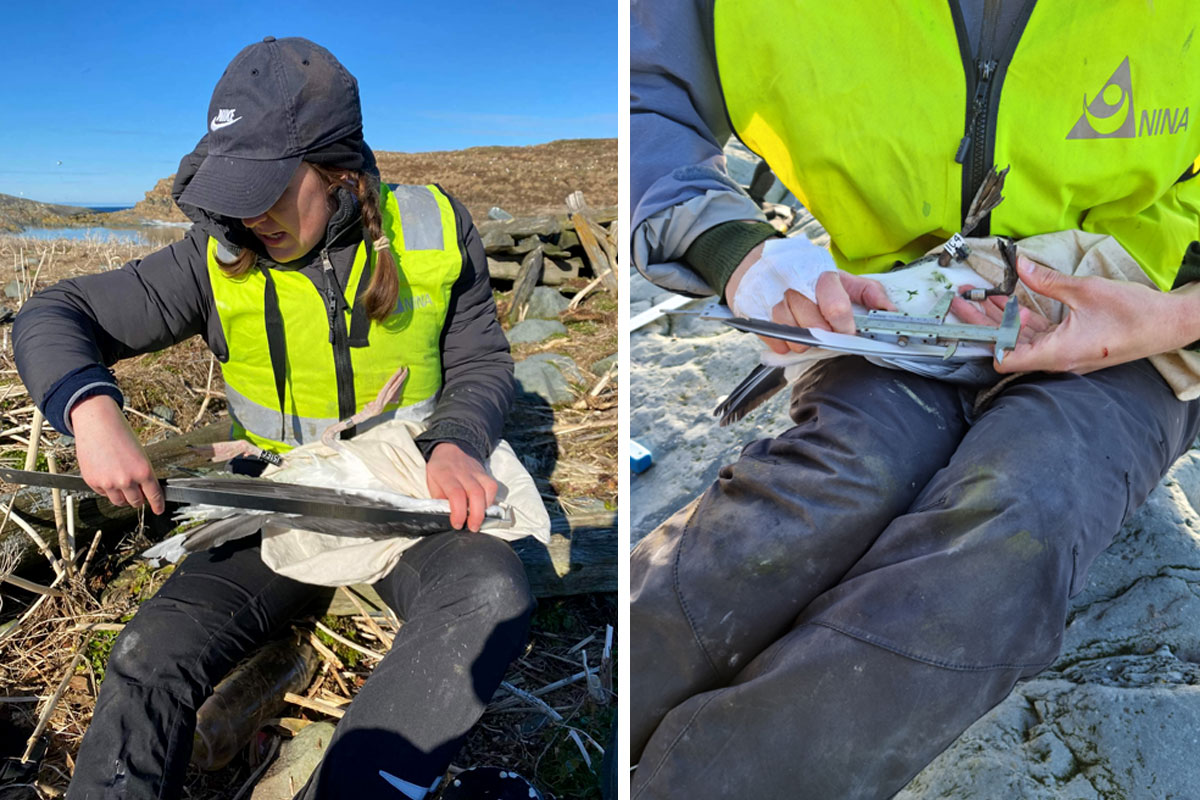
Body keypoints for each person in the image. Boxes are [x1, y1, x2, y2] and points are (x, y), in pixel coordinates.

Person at [629, 1, 1200, 798]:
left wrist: (1175, 316)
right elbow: (645, 94)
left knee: (1015, 523)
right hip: (892, 303)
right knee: (826, 490)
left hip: (1143, 313)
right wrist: (731, 247)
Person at [13, 37, 534, 800]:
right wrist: (91, 412)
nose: (251, 216)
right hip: (277, 502)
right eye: (234, 188)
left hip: (405, 500)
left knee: (491, 592)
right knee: (148, 657)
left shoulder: (435, 228)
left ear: (339, 170)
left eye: (269, 188)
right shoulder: (211, 257)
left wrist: (456, 445)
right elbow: (57, 312)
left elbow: (484, 362)